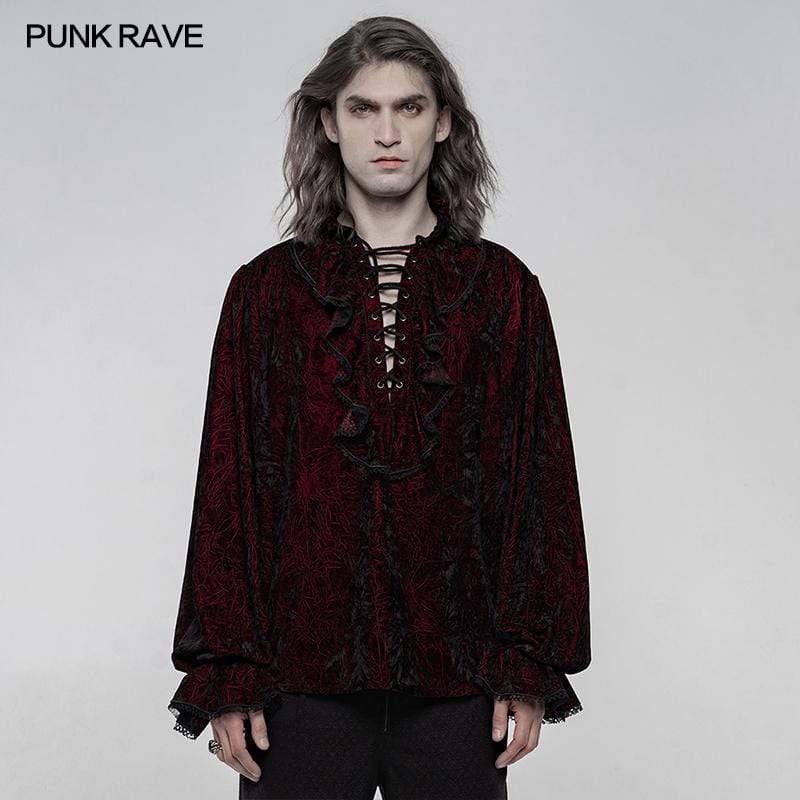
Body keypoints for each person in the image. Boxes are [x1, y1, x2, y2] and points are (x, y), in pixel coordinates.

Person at [167, 15, 591, 800]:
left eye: (410, 107)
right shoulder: (265, 294)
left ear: (443, 123)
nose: (387, 132)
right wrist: (229, 668)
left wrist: (525, 660)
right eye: (363, 108)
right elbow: (231, 488)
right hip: (295, 683)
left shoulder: (502, 290)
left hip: (461, 682)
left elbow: (535, 482)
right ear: (329, 123)